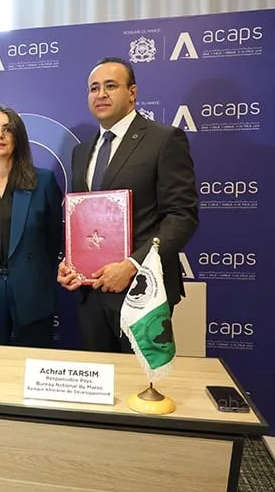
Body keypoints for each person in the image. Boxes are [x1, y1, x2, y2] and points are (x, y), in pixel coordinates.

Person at [57, 57, 199, 353]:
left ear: (132, 92)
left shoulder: (164, 140)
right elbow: (82, 219)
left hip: (143, 290)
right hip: (91, 292)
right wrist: (70, 263)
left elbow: (181, 216)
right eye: (94, 88)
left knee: (140, 380)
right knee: (101, 378)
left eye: (110, 86)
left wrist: (133, 265)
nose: (101, 94)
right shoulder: (82, 151)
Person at [0, 106, 63, 347]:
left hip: (31, 290)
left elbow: (53, 241)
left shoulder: (43, 181)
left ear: (18, 138)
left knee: (35, 362)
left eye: (7, 129)